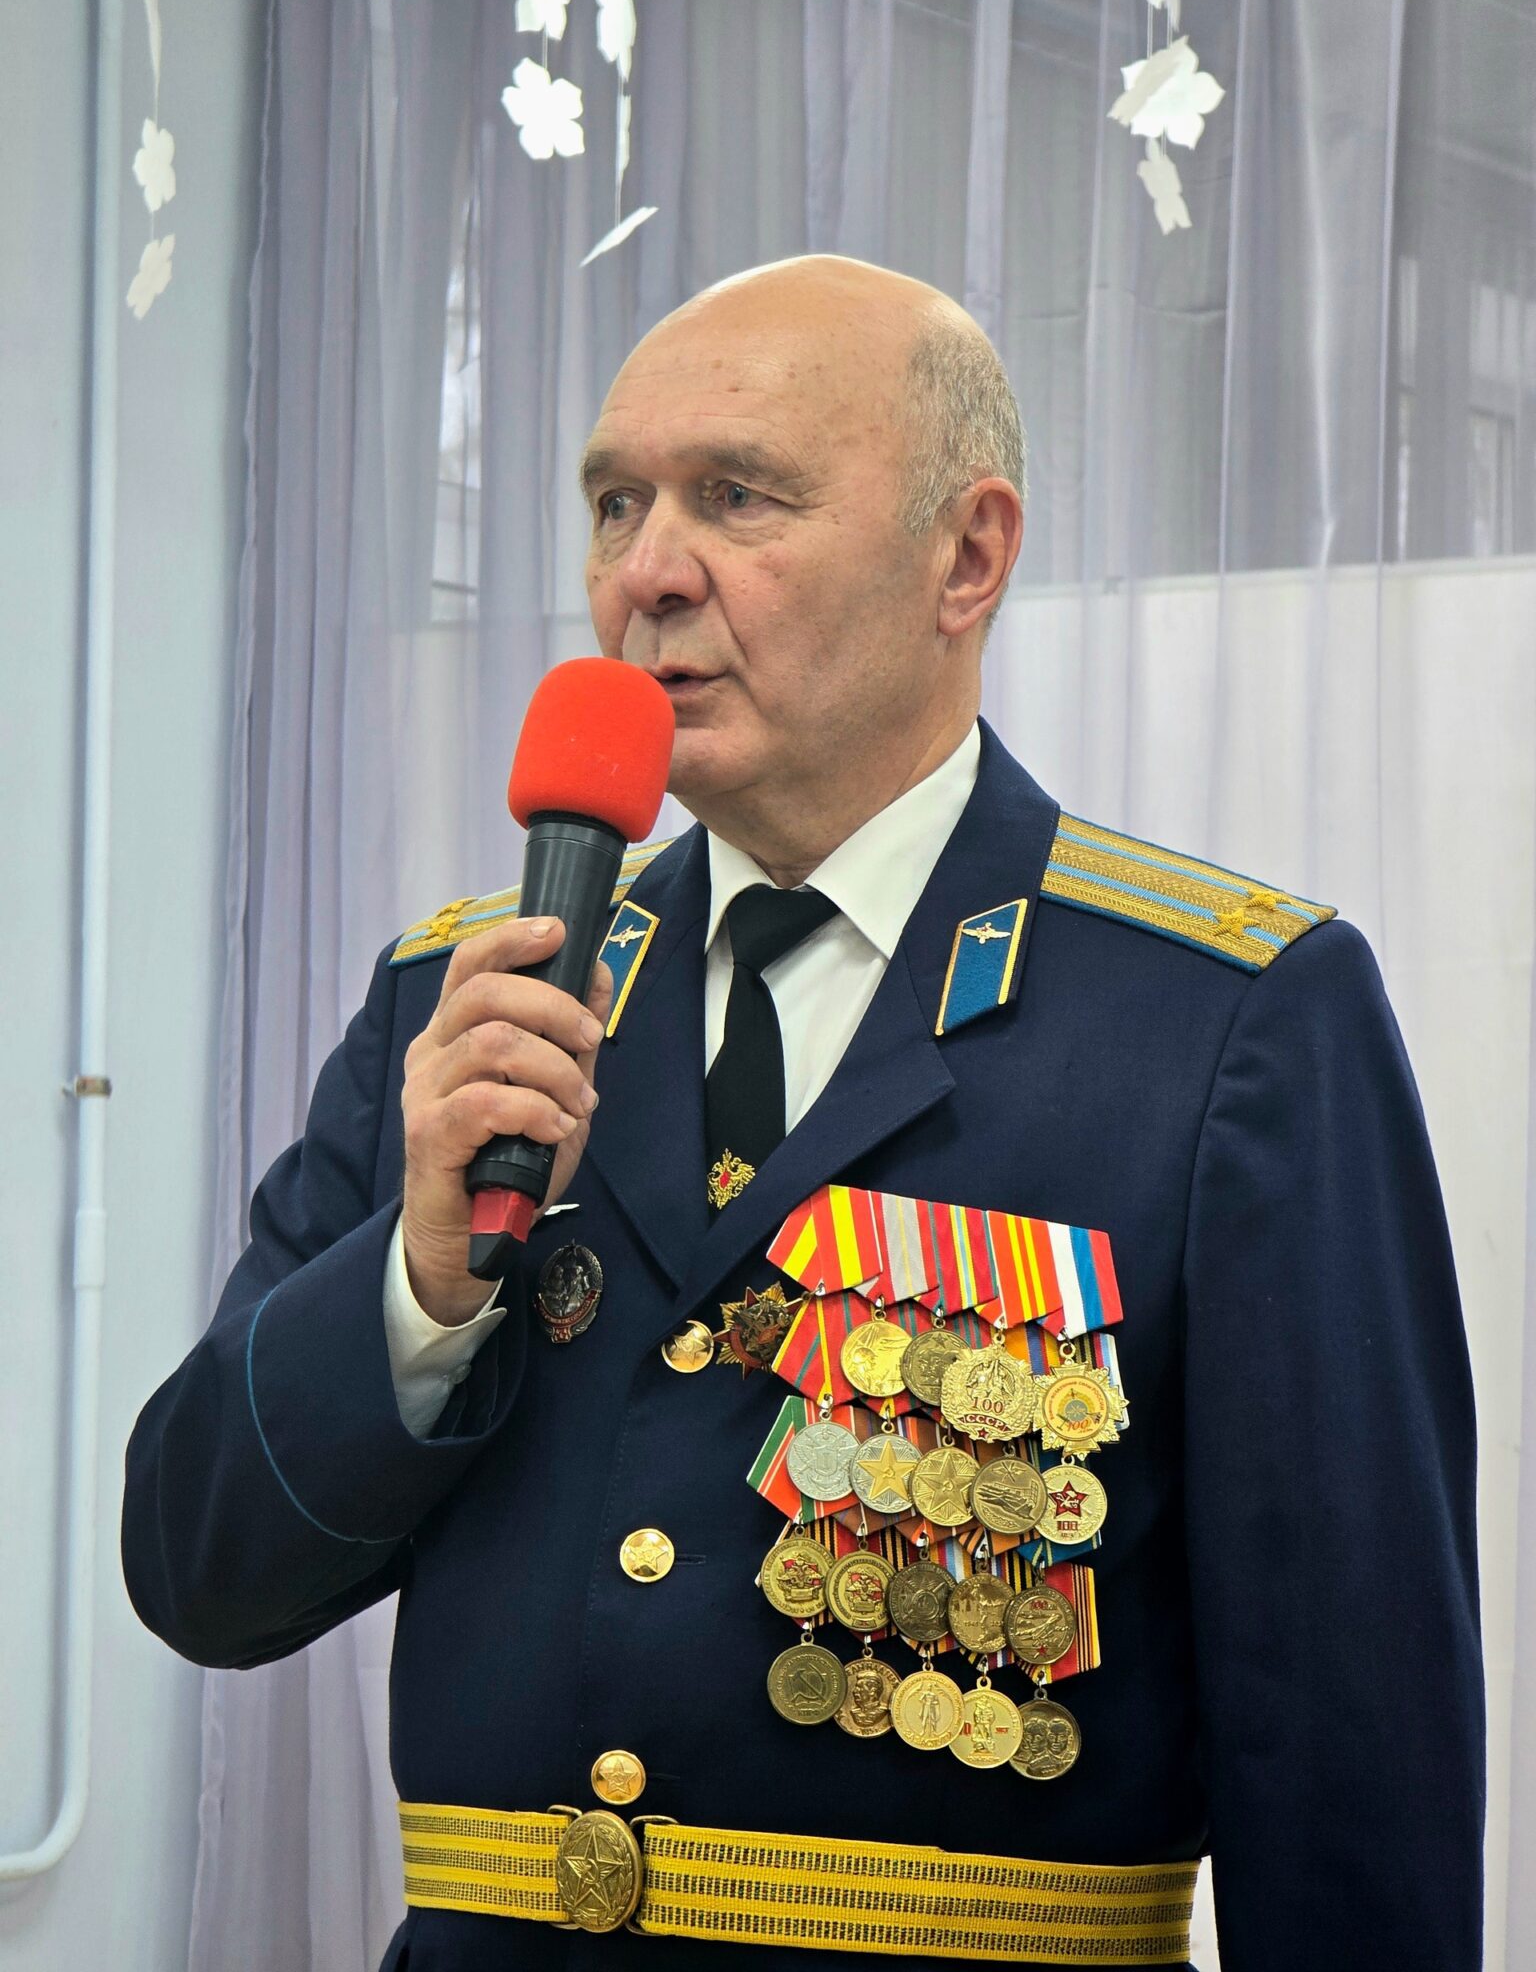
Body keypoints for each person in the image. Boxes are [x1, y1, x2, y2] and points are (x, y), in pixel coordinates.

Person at [123, 257, 1484, 1970]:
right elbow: (197, 1570)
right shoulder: (474, 998)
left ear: (965, 557)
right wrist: (421, 1286)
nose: (647, 574)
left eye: (736, 497)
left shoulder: (1226, 1022)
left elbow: (1350, 1751)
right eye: (615, 504)